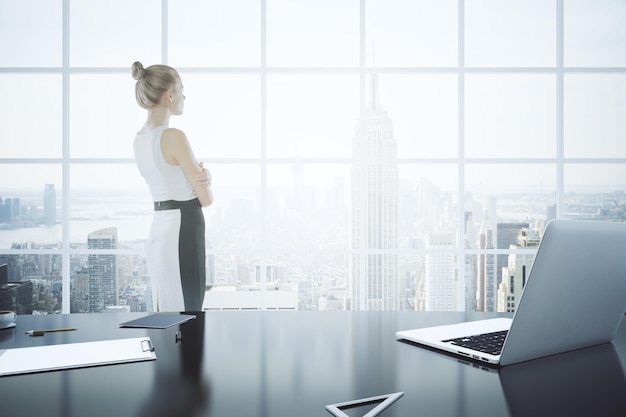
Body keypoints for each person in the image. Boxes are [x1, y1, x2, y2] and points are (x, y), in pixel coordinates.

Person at [131, 61, 213, 312]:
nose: (184, 96)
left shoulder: (139, 140)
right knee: (188, 311)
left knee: (165, 307)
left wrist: (199, 178)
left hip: (160, 228)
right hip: (184, 226)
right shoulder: (173, 136)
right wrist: (204, 179)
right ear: (170, 94)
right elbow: (206, 198)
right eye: (182, 89)